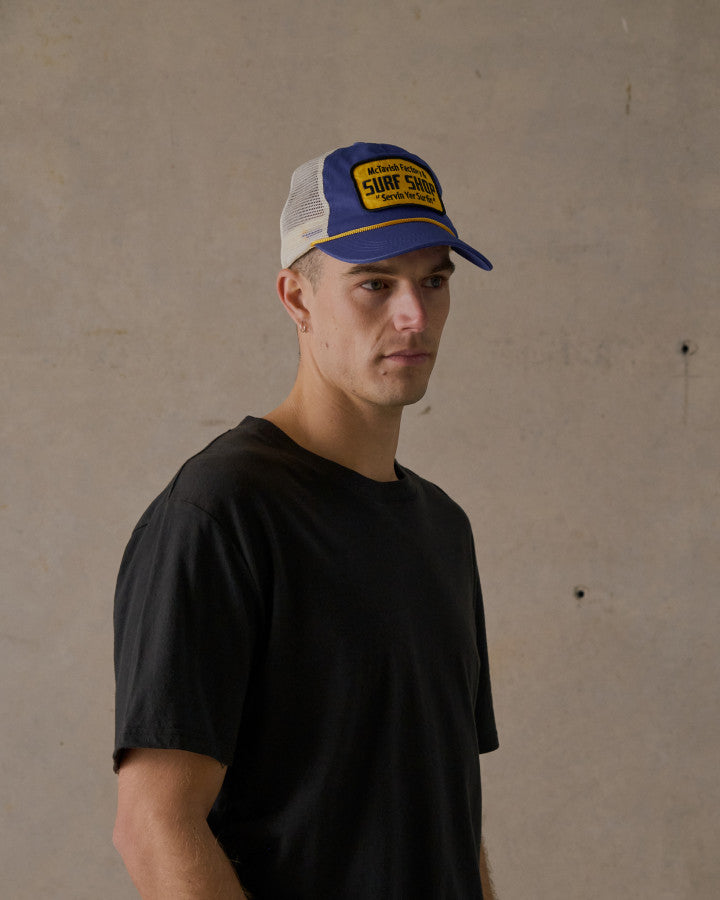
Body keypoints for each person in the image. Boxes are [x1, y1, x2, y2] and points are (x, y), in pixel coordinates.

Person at [112, 141, 499, 899]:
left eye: (434, 280)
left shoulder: (443, 529)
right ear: (297, 298)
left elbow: (449, 811)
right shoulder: (222, 511)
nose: (414, 315)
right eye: (375, 283)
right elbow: (154, 828)